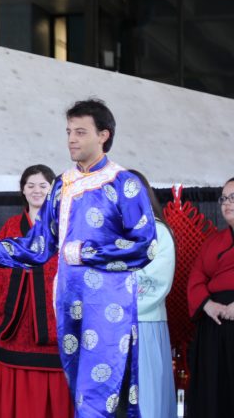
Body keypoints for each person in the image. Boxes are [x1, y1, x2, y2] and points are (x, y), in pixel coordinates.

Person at [0, 99, 157, 417]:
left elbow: (145, 246)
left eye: (80, 131)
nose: (71, 139)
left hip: (108, 304)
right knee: (78, 392)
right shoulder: (62, 184)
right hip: (68, 302)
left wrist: (88, 253)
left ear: (104, 135)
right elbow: (39, 247)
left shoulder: (123, 183)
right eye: (68, 132)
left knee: (98, 394)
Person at [0, 164, 73, 418]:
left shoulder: (64, 227)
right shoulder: (11, 227)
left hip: (56, 326)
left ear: (53, 190)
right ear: (22, 190)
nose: (36, 191)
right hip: (18, 323)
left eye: (43, 186)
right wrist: (25, 270)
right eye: (30, 185)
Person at [128, 170, 177, 418]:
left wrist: (115, 289)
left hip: (144, 325)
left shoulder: (159, 232)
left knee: (147, 401)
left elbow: (157, 282)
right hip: (110, 328)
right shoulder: (110, 233)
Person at [186, 177, 234, 418]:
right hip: (214, 323)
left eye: (233, 197)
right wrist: (208, 305)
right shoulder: (213, 241)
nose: (227, 204)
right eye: (224, 198)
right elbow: (196, 279)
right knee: (214, 391)